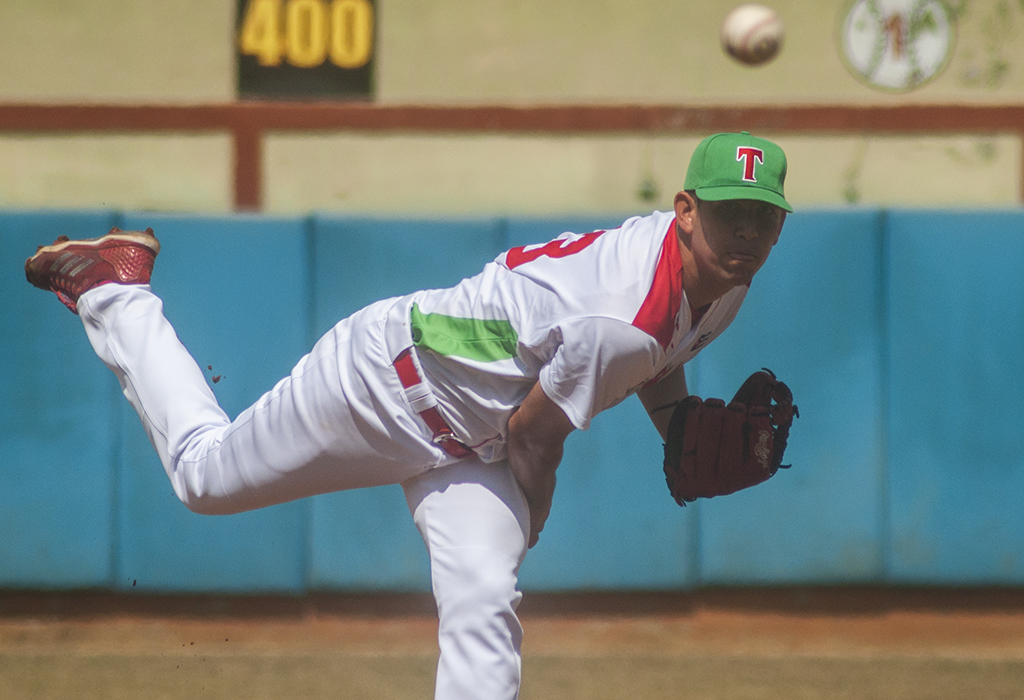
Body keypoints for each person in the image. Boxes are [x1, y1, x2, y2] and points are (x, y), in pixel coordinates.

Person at [25, 131, 791, 700]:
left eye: (764, 218)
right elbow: (536, 434)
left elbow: (659, 357)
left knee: (484, 597)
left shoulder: (724, 280)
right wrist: (535, 512)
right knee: (203, 477)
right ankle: (112, 287)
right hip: (384, 384)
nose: (748, 235)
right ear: (685, 211)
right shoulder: (621, 317)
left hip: (472, 442)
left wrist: (679, 419)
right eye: (731, 216)